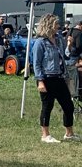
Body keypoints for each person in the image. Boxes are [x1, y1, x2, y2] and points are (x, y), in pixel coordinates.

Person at [32, 14, 79, 143]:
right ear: (49, 25)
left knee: (68, 106)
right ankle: (45, 135)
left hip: (60, 77)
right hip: (46, 78)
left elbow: (66, 55)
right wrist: (40, 81)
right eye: (56, 24)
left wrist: (69, 44)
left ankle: (69, 133)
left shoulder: (59, 39)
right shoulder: (40, 42)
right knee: (47, 106)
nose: (58, 26)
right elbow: (36, 63)